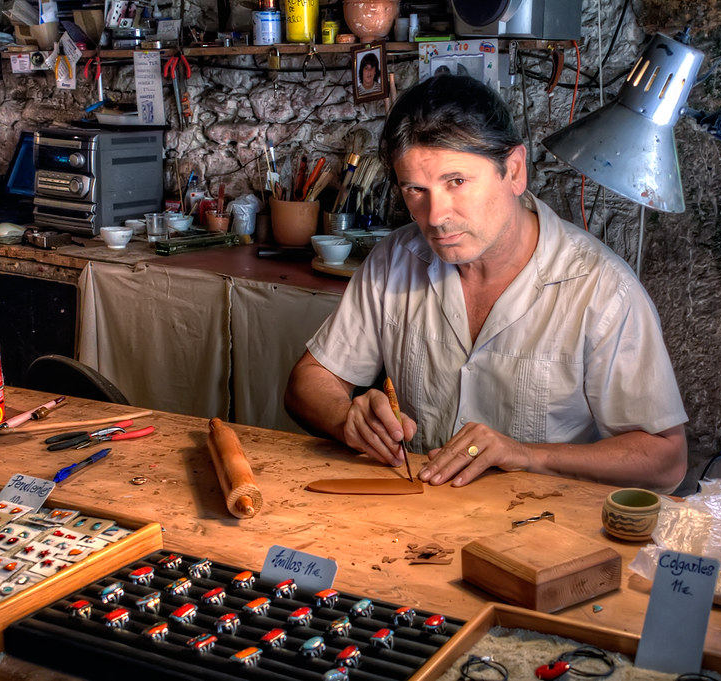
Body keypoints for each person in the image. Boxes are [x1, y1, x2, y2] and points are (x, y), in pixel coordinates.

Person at [285, 75, 688, 493]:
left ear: (513, 171)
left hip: (539, 529)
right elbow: (307, 382)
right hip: (415, 522)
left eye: (456, 182)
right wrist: (346, 418)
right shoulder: (395, 259)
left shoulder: (601, 290)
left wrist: (526, 455)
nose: (436, 216)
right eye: (415, 190)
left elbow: (665, 459)